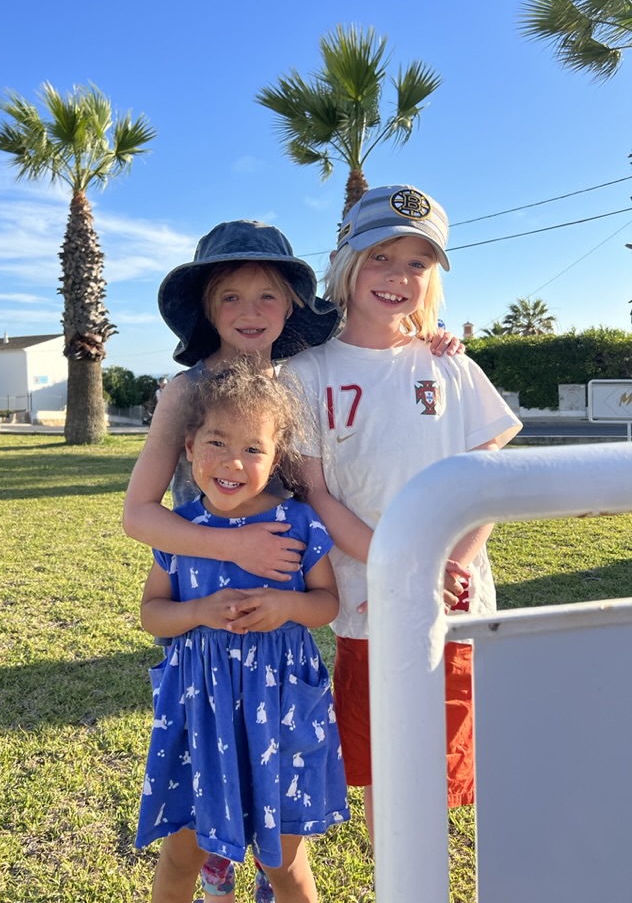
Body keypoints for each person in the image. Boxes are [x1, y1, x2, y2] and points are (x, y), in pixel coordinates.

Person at [123, 216, 461, 902]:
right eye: (230, 296)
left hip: (283, 638)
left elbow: (376, 364)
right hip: (205, 628)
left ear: (291, 306)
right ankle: (217, 854)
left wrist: (427, 343)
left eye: (268, 296)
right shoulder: (185, 392)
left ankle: (254, 861)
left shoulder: (304, 377)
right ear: (206, 308)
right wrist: (232, 544)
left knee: (280, 821)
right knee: (195, 818)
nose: (249, 312)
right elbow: (139, 514)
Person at [281, 184, 522, 839]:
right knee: (383, 770)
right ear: (346, 262)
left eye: (417, 263)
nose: (398, 277)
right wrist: (405, 567)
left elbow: (488, 475)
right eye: (381, 257)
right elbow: (318, 494)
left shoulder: (451, 366)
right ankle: (395, 877)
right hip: (371, 604)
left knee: (440, 766)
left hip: (453, 601)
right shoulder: (306, 374)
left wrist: (453, 564)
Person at [134, 362, 349, 903]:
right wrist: (198, 612)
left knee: (285, 864)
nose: (232, 462)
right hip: (201, 715)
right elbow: (152, 613)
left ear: (276, 459)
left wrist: (286, 605)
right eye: (216, 442)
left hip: (279, 710)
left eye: (253, 449)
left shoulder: (299, 523)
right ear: (189, 448)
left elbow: (327, 603)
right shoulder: (181, 530)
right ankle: (215, 867)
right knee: (181, 856)